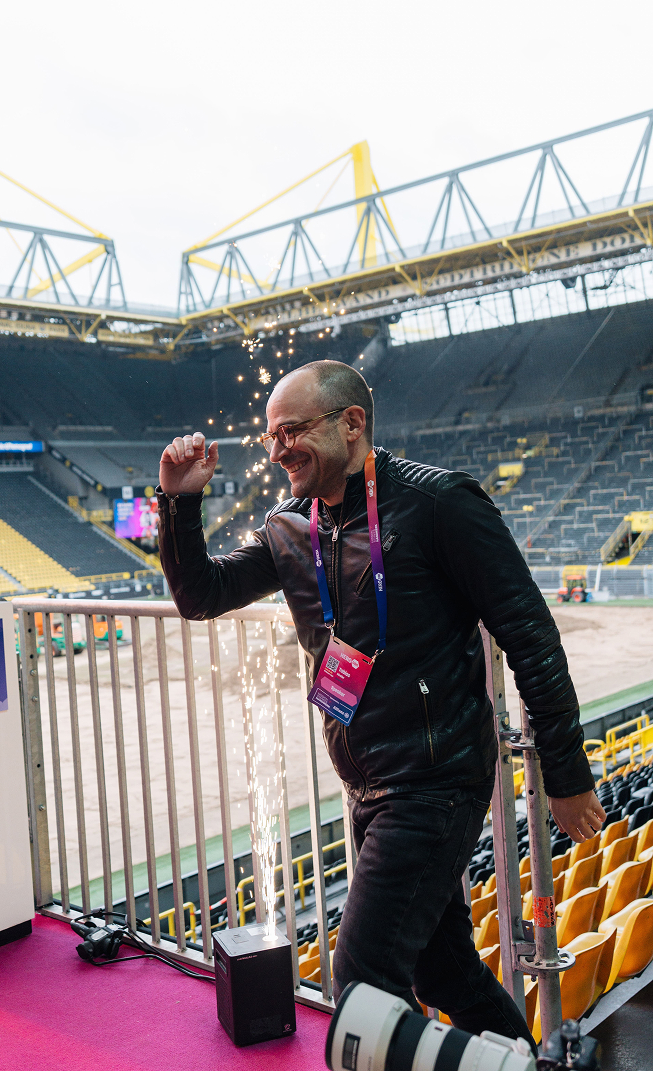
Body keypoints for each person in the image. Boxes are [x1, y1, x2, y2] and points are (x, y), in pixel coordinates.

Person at [156, 359, 605, 1047]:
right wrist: (180, 502)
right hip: (366, 785)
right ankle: (531, 1062)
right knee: (445, 970)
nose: (278, 451)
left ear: (352, 423)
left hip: (436, 782)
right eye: (270, 437)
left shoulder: (440, 503)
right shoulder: (287, 526)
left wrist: (567, 778)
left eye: (293, 431)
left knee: (363, 979)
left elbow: (531, 635)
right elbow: (201, 595)